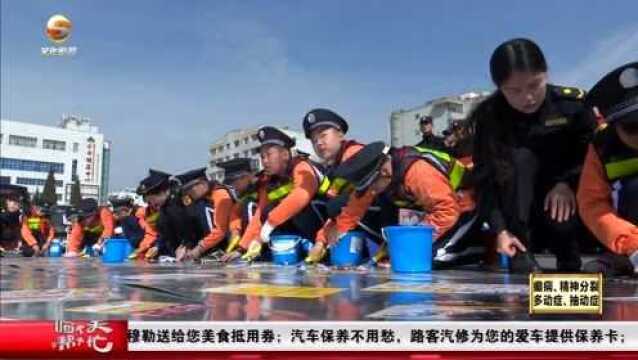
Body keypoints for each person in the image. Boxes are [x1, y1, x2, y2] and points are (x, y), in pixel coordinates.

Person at [471, 38, 596, 272]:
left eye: (534, 85)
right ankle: (521, 251)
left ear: (546, 74)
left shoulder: (572, 107)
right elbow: (484, 179)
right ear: (499, 88)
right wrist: (500, 230)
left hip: (567, 201)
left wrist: (566, 183)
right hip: (516, 207)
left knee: (562, 216)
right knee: (519, 160)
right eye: (514, 91)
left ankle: (568, 254)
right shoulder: (489, 119)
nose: (527, 98)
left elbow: (589, 158)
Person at [327, 141, 482, 268]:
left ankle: (470, 248)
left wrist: (410, 241)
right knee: (404, 255)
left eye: (372, 187)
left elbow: (447, 210)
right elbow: (353, 209)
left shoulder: (417, 172)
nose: (371, 192)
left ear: (385, 173)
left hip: (465, 207)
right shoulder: (376, 175)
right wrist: (332, 236)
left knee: (428, 258)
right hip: (433, 210)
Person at [222, 126, 328, 262]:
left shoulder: (302, 167)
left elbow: (300, 197)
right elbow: (259, 215)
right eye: (262, 157)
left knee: (295, 209)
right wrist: (243, 247)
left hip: (324, 224)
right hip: (296, 230)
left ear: (284, 154)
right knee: (268, 211)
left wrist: (269, 225)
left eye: (268, 155)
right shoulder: (269, 182)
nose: (264, 161)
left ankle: (318, 248)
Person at [577, 62, 638, 276]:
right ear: (614, 126)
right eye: (633, 128)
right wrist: (631, 244)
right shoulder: (602, 148)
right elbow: (592, 204)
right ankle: (620, 259)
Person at [300, 108, 367, 262]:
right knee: (328, 205)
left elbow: (366, 196)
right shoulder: (333, 170)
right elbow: (333, 213)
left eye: (323, 135)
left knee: (336, 205)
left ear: (340, 134)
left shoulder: (356, 155)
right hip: (356, 218)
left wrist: (339, 228)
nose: (319, 142)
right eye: (314, 140)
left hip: (399, 220)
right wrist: (320, 242)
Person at [173, 167, 235, 261]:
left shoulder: (220, 194)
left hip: (231, 242)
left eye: (190, 190)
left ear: (201, 184)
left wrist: (199, 249)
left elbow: (220, 230)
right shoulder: (202, 199)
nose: (189, 194)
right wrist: (185, 246)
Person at [216, 158, 259, 254]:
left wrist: (241, 250)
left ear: (246, 176)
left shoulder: (262, 188)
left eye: (234, 182)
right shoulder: (244, 195)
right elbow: (235, 212)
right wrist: (235, 231)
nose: (233, 186)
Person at [131, 169, 172, 260]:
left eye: (153, 201)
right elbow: (153, 233)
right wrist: (142, 248)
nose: (152, 205)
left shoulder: (175, 207)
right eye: (148, 202)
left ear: (165, 192)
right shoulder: (148, 212)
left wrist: (157, 246)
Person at [0, 189, 24, 255]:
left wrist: (19, 243)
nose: (13, 204)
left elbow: (21, 232)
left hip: (15, 249)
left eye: (17, 202)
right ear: (7, 202)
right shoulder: (2, 217)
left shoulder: (21, 217)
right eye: (11, 201)